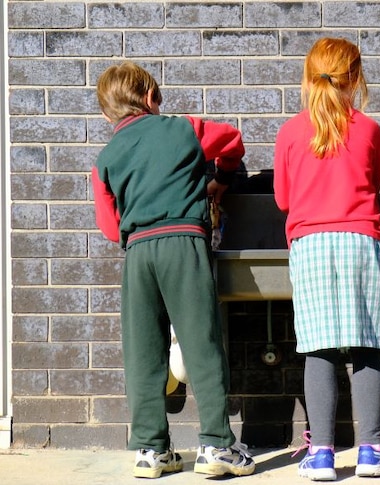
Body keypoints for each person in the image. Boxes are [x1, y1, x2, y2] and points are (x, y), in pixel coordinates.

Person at [91, 61, 255, 478]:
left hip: (138, 253)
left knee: (144, 351)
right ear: (150, 98)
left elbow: (111, 228)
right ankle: (217, 446)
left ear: (108, 113)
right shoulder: (185, 128)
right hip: (184, 242)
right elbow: (232, 140)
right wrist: (221, 178)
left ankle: (150, 450)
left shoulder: (104, 158)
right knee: (201, 343)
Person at [272, 37, 380, 481]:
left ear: (309, 77)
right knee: (366, 345)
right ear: (355, 77)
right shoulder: (368, 129)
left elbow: (282, 198)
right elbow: (371, 181)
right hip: (359, 240)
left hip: (310, 245)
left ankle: (322, 454)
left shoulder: (291, 131)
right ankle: (371, 448)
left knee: (319, 348)